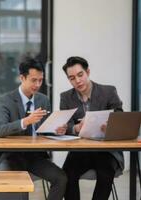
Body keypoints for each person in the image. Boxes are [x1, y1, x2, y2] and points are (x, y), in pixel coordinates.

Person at [0, 57, 67, 200]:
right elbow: (0, 130)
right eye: (34, 80)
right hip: (11, 156)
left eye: (40, 80)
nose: (38, 84)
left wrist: (56, 130)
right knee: (9, 185)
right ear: (22, 77)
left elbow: (46, 130)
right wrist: (26, 121)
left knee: (61, 178)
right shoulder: (6, 100)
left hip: (35, 156)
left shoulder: (43, 100)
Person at [59, 56, 124, 200]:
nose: (77, 80)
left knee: (105, 174)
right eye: (72, 78)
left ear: (87, 72)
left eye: (80, 75)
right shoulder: (66, 97)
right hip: (81, 150)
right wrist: (75, 128)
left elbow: (120, 116)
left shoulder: (108, 91)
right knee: (67, 175)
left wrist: (110, 126)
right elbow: (65, 125)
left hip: (105, 150)